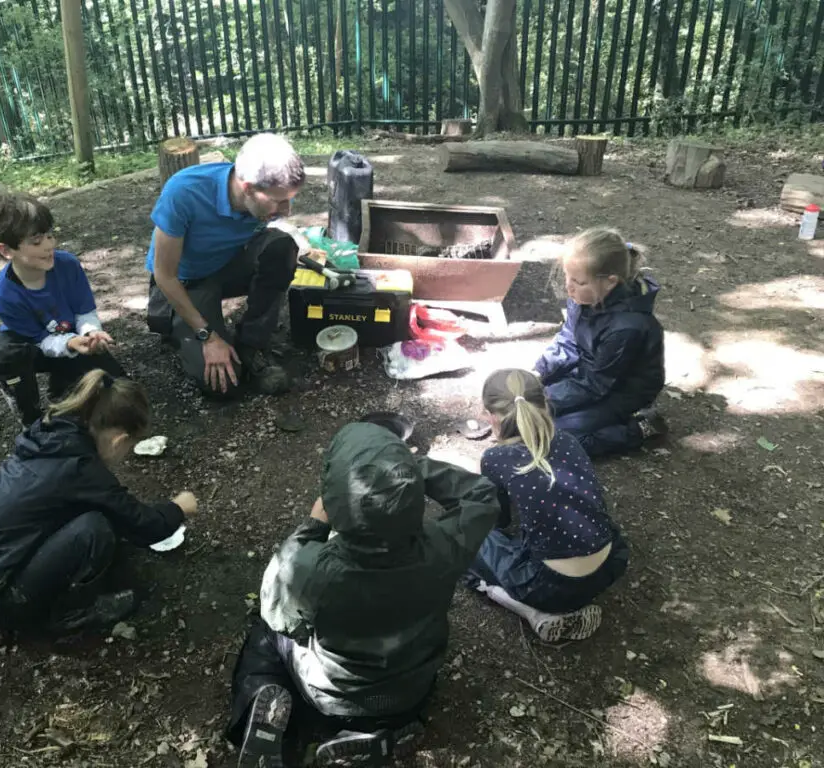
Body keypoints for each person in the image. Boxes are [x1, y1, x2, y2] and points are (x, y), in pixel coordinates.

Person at [227, 422, 501, 767]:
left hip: (332, 696)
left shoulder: (313, 568)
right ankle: (383, 735)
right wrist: (411, 470)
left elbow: (275, 611)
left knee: (264, 634)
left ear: (335, 498)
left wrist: (313, 525)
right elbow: (482, 495)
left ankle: (262, 715)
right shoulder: (445, 546)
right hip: (410, 690)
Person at [0, 370, 197, 636]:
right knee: (95, 527)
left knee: (99, 517)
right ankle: (67, 614)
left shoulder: (54, 432)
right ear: (119, 439)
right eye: (130, 445)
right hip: (1, 598)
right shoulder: (80, 468)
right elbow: (144, 524)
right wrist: (178, 508)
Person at [466, 368, 629, 642]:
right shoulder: (568, 440)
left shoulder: (495, 457)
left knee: (464, 539)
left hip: (548, 586)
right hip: (610, 564)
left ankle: (536, 612)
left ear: (491, 416)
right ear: (545, 402)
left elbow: (497, 521)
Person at [146, 133, 305, 398]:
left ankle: (251, 346)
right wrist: (207, 336)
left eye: (289, 199)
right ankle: (175, 323)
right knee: (222, 386)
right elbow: (164, 274)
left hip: (226, 262)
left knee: (282, 246)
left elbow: (272, 237)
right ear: (247, 188)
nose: (287, 210)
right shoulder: (184, 192)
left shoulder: (267, 194)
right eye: (279, 201)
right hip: (186, 280)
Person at [0, 192, 125, 426]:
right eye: (36, 242)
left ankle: (62, 381)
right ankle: (29, 413)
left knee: (118, 389)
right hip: (34, 346)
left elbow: (84, 312)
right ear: (7, 250)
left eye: (49, 236)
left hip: (70, 338)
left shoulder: (67, 265)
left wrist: (90, 334)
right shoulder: (3, 294)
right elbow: (41, 340)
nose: (49, 246)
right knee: (1, 350)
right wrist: (69, 343)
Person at [533, 228, 666, 457]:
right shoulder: (584, 296)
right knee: (533, 403)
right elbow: (568, 339)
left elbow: (597, 384)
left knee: (554, 438)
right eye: (567, 276)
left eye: (578, 281)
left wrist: (543, 400)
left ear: (610, 282)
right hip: (591, 370)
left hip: (622, 390)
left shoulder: (627, 327)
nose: (568, 287)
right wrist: (539, 371)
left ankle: (640, 428)